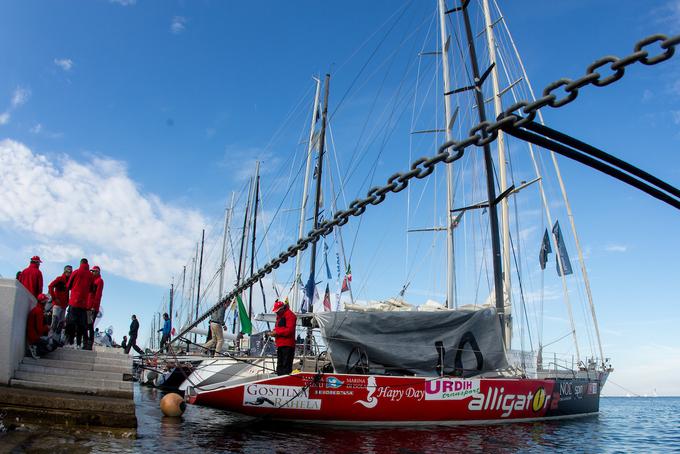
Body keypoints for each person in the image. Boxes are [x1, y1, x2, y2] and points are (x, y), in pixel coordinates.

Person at [66, 258, 93, 349]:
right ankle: (78, 343)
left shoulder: (76, 272)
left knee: (71, 323)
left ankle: (70, 342)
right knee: (81, 325)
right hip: (84, 303)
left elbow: (68, 285)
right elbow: (92, 289)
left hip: (74, 301)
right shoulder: (90, 275)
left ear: (80, 263)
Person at [268, 300, 297, 375]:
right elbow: (279, 327)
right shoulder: (280, 316)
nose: (276, 313)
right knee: (280, 366)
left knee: (285, 366)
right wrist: (273, 332)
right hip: (281, 344)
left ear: (282, 309)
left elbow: (289, 330)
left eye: (277, 311)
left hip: (287, 345)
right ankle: (280, 379)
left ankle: (284, 380)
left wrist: (276, 332)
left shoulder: (290, 315)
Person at [26, 293, 54, 359]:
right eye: (46, 302)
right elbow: (40, 329)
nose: (47, 303)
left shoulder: (36, 309)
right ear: (43, 302)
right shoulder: (39, 311)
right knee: (52, 345)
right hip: (34, 338)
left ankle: (35, 348)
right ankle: (35, 350)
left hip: (32, 336)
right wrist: (48, 327)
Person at [48, 265, 72, 337]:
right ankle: (50, 337)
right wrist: (54, 298)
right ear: (65, 271)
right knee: (55, 321)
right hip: (57, 305)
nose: (70, 272)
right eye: (68, 271)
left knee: (61, 323)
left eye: (71, 271)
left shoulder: (69, 281)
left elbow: (68, 292)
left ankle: (56, 338)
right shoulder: (60, 279)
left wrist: (68, 301)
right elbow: (50, 286)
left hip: (64, 305)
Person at [85, 266, 104, 350]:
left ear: (98, 272)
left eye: (94, 271)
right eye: (92, 271)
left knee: (89, 325)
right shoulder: (91, 280)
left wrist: (94, 306)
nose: (92, 273)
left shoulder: (99, 281)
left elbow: (98, 295)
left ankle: (89, 344)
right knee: (85, 324)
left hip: (92, 307)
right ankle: (86, 342)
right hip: (87, 306)